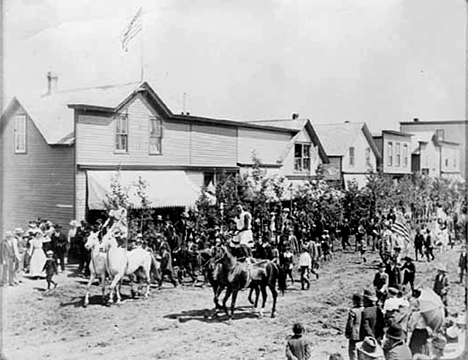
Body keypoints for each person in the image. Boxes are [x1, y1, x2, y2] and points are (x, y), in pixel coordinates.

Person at [345, 293, 364, 360]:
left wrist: (347, 332)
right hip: (362, 333)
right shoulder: (364, 309)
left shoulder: (353, 311)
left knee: (352, 350)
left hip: (354, 332)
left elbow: (350, 323)